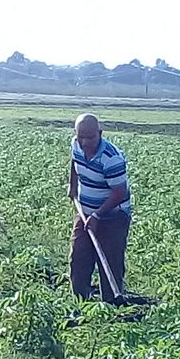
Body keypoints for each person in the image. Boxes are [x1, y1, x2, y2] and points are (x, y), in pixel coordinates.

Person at [68, 113, 131, 304]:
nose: (85, 142)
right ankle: (80, 303)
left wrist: (97, 215)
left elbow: (119, 193)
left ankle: (112, 306)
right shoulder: (76, 144)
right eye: (81, 137)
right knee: (78, 258)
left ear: (100, 133)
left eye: (90, 137)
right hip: (85, 212)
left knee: (110, 262)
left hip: (113, 216)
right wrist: (72, 185)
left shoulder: (111, 158)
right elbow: (74, 161)